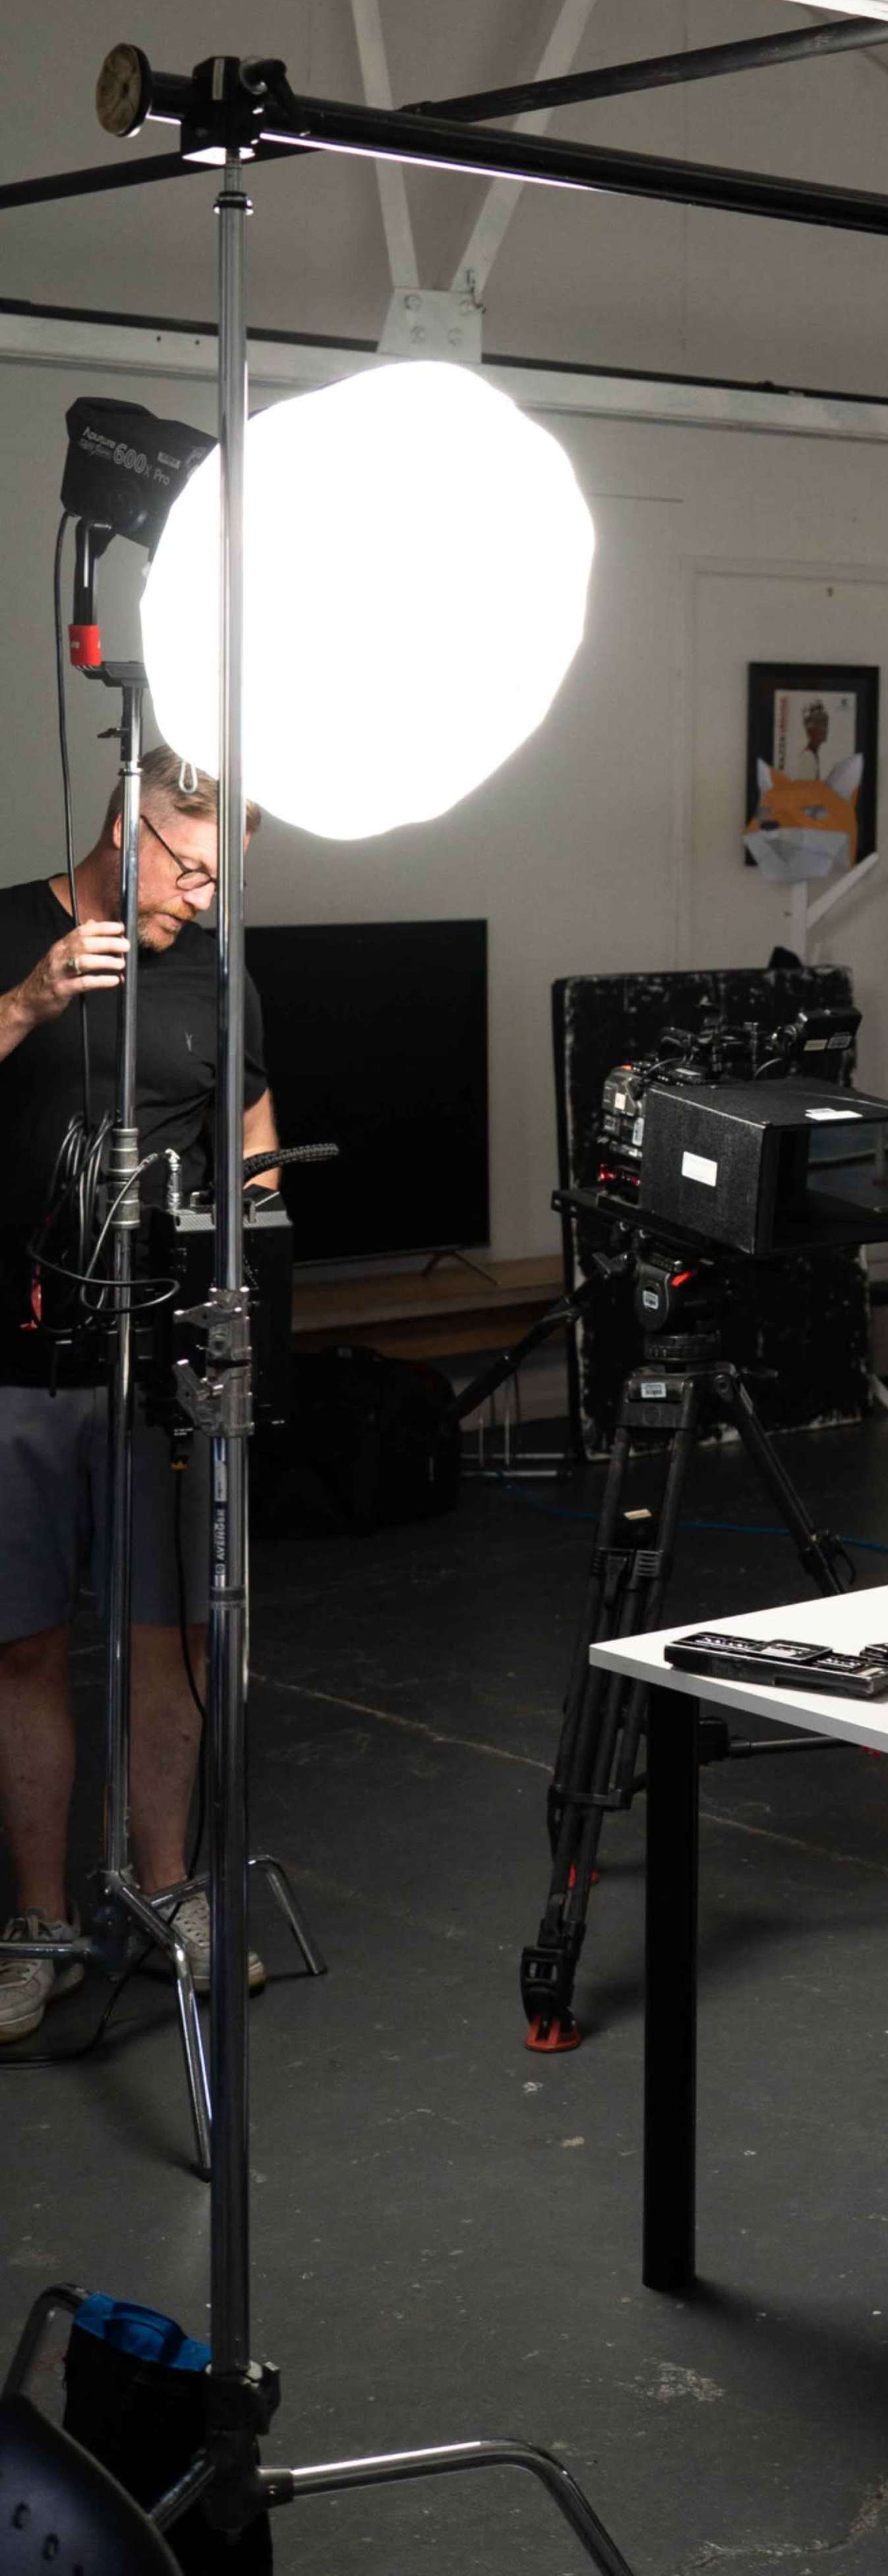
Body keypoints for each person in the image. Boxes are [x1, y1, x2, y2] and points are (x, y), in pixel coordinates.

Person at [0, 750, 277, 2043]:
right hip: (20, 1356)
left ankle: (171, 1893)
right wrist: (26, 999)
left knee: (171, 1641)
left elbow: (257, 1149)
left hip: (164, 1368)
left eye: (226, 875)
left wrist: (255, 1289)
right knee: (29, 1642)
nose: (207, 897)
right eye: (195, 864)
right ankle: (42, 1921)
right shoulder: (10, 930)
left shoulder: (221, 979)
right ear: (131, 826)